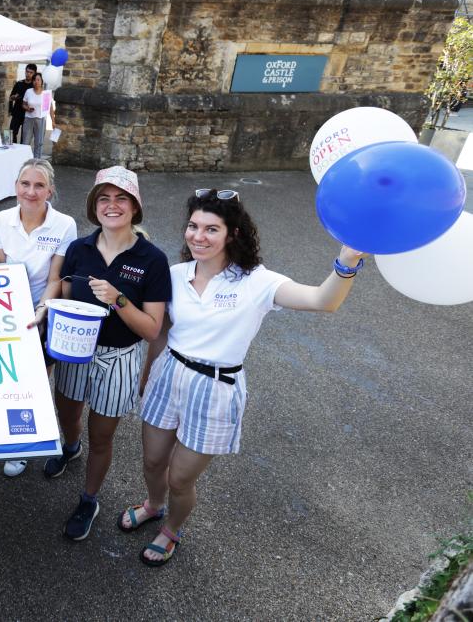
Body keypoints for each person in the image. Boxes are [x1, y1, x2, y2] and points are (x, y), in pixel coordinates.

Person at [118, 188, 366, 567]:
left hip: (215, 388)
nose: (198, 236)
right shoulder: (175, 275)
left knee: (181, 479)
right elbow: (164, 332)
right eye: (193, 226)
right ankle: (153, 504)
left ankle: (171, 529)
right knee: (152, 461)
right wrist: (147, 376)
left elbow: (322, 301)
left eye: (211, 229)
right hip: (169, 373)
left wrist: (345, 263)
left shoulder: (256, 282)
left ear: (232, 234)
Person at [45, 167, 171, 541]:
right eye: (104, 198)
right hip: (75, 351)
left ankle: (89, 498)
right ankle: (70, 448)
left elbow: (151, 328)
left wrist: (117, 299)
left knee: (101, 436)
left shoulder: (152, 259)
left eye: (121, 198)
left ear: (135, 207)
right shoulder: (79, 249)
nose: (111, 205)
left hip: (119, 357)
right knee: (66, 413)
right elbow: (65, 298)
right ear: (93, 206)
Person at [0, 158, 77, 476]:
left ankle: (23, 445)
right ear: (16, 187)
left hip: (43, 310)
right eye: (25, 183)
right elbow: (0, 273)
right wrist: (11, 314)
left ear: (50, 191)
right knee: (9, 377)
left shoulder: (65, 225)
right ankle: (14, 436)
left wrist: (40, 311)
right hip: (7, 311)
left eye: (39, 185)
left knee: (35, 382)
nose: (31, 191)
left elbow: (55, 277)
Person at [21, 72, 55, 159]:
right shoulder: (28, 92)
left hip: (41, 120)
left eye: (38, 80)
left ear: (41, 81)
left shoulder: (46, 94)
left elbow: (50, 108)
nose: (36, 82)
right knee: (26, 141)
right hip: (29, 119)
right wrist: (27, 108)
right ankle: (24, 160)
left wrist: (53, 121)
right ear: (32, 82)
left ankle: (37, 161)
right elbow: (23, 104)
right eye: (34, 80)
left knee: (39, 143)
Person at [8, 63, 37, 143]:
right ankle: (10, 150)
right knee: (11, 134)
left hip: (28, 115)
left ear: (34, 73)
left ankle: (21, 153)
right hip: (17, 113)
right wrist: (14, 97)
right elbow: (10, 98)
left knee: (24, 138)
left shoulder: (34, 86)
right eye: (27, 72)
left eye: (31, 72)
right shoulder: (19, 83)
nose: (28, 74)